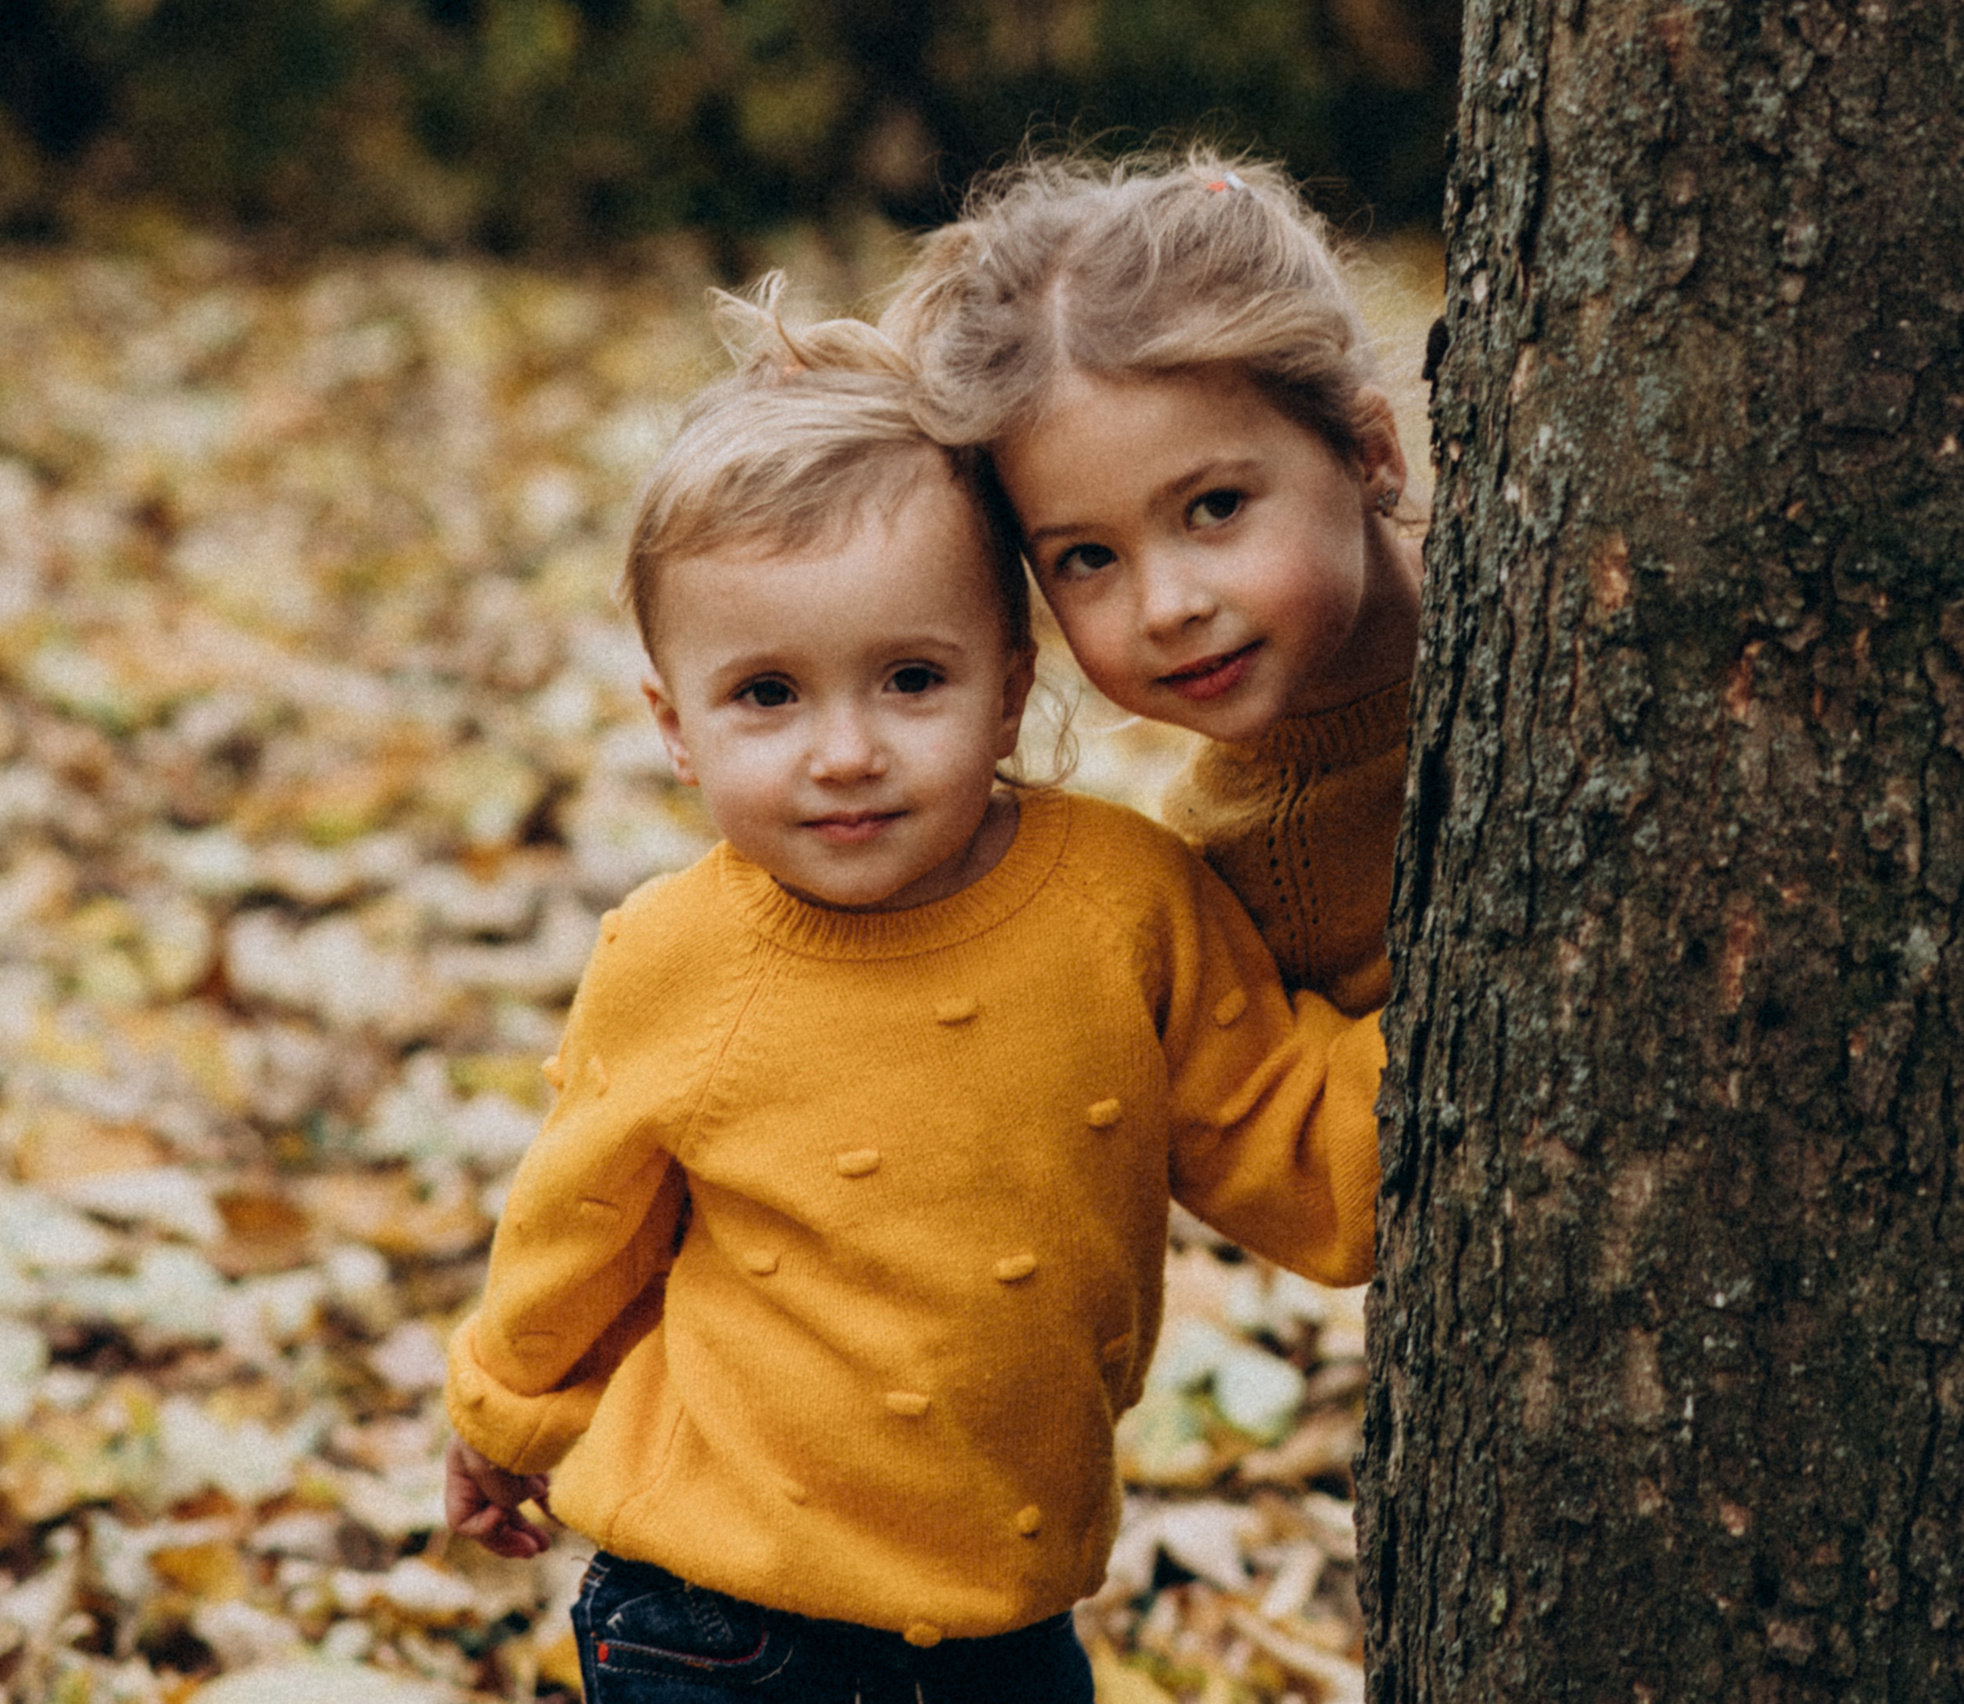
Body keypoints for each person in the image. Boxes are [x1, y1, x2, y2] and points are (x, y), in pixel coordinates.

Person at [441, 282, 1383, 1704]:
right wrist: (501, 1417)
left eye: (910, 679)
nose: (845, 752)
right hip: (717, 1612)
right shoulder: (678, 955)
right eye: (768, 694)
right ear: (674, 726)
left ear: (1009, 690)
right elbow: (582, 1223)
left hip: (1012, 1617)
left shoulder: (1127, 905)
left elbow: (1295, 1146)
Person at [885, 149, 1426, 1017]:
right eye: (1087, 558)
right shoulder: (1239, 878)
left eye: (1214, 506)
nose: (1169, 608)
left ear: (1370, 453)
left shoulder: (1557, 613)